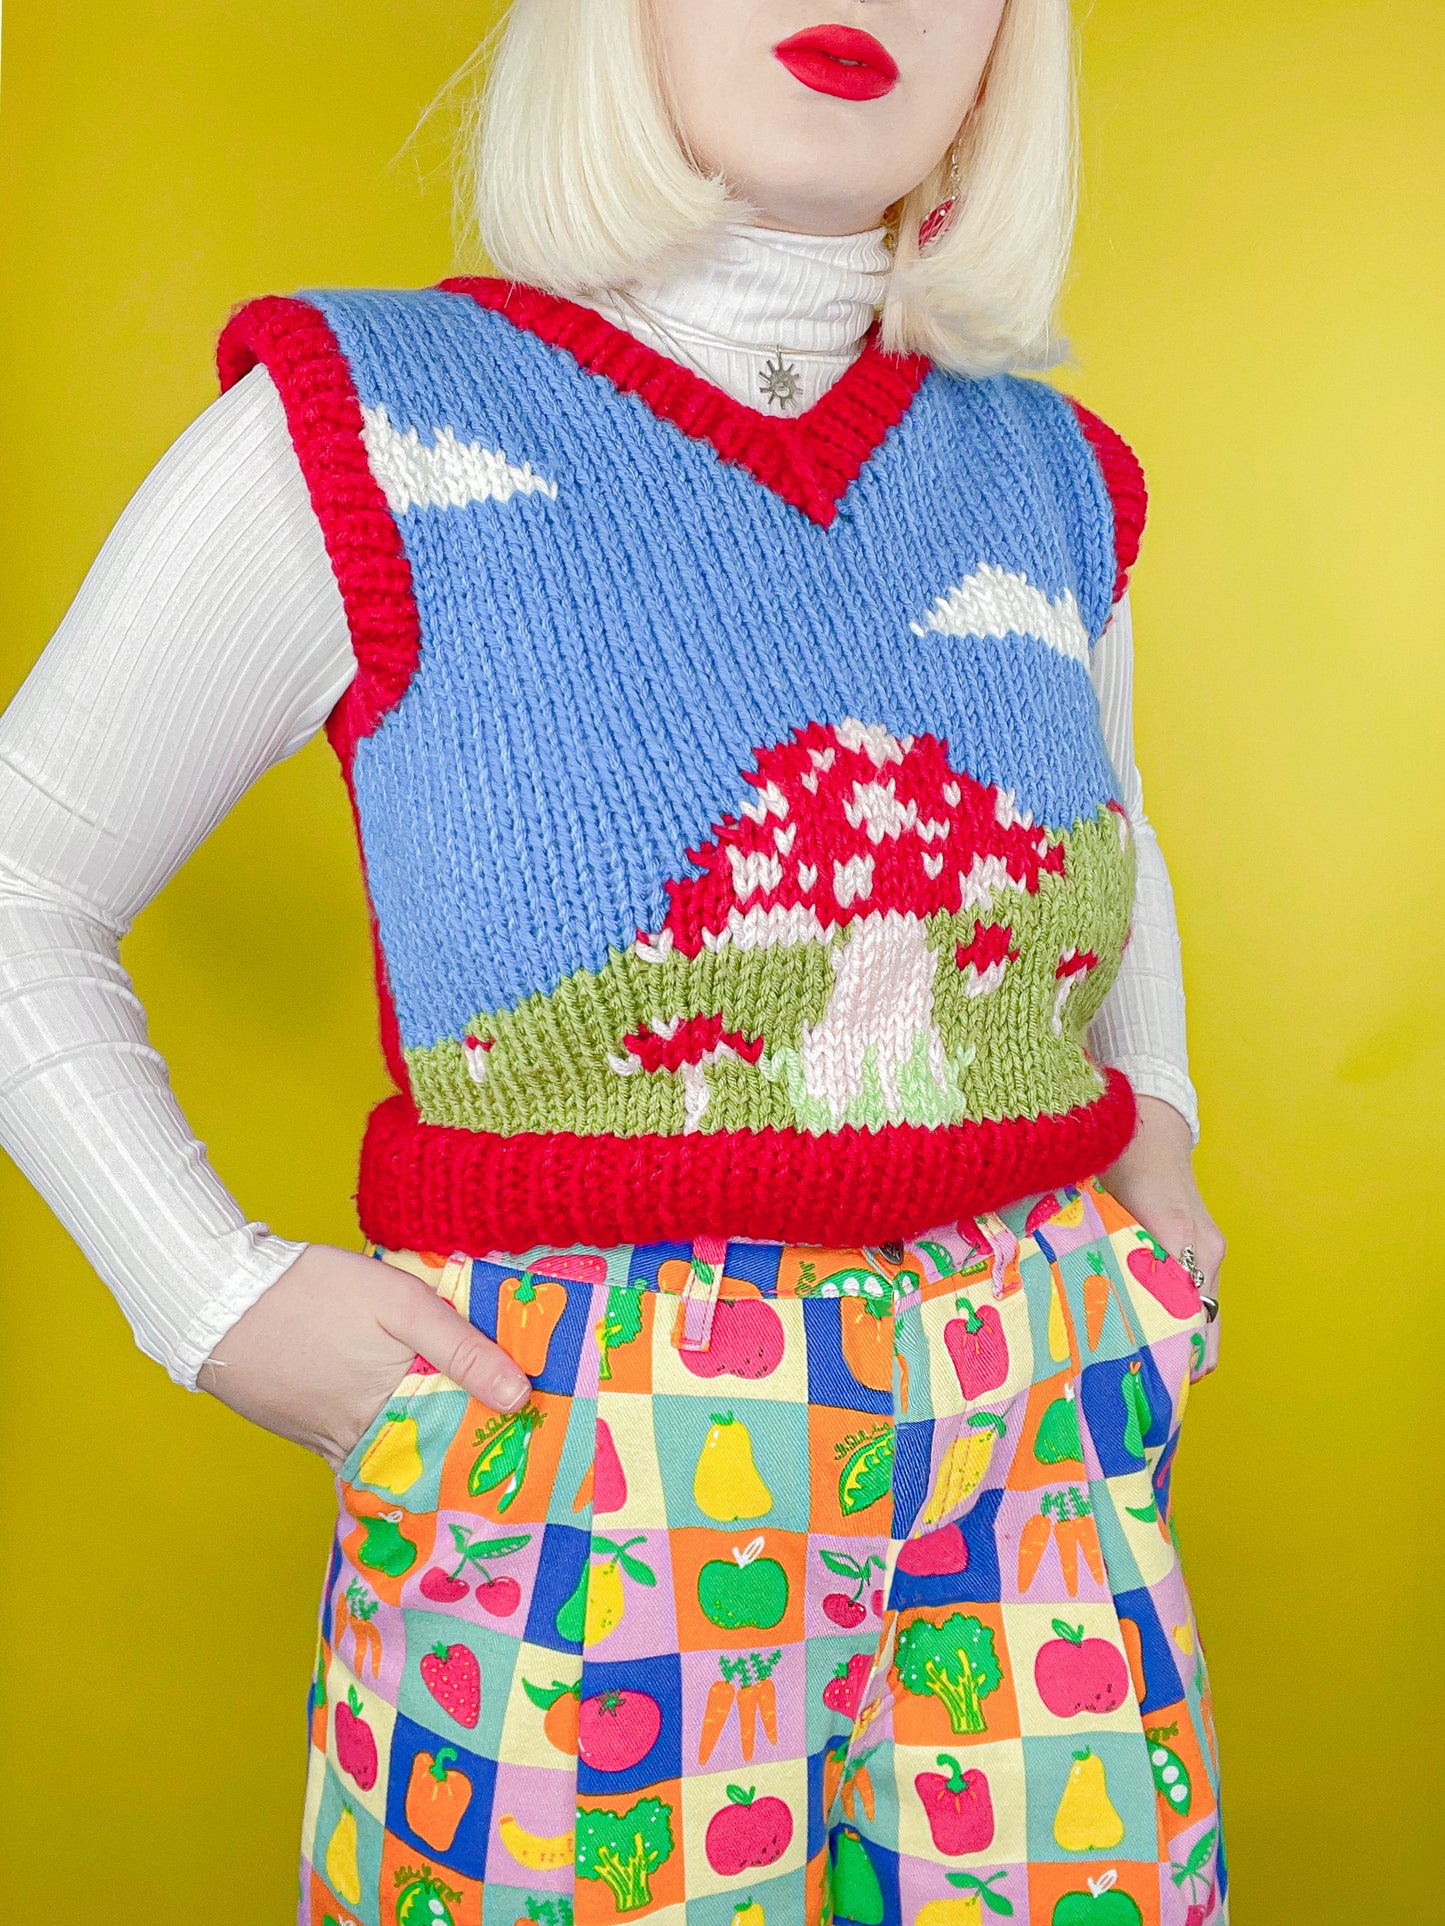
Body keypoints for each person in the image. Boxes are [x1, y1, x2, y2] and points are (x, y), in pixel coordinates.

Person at [0, 1, 1228, 1918]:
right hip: (592, 1455)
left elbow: (1107, 825)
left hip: (1031, 1411)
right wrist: (211, 1296)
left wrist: (1152, 1112)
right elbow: (19, 877)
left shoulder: (1048, 472)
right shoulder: (361, 421)